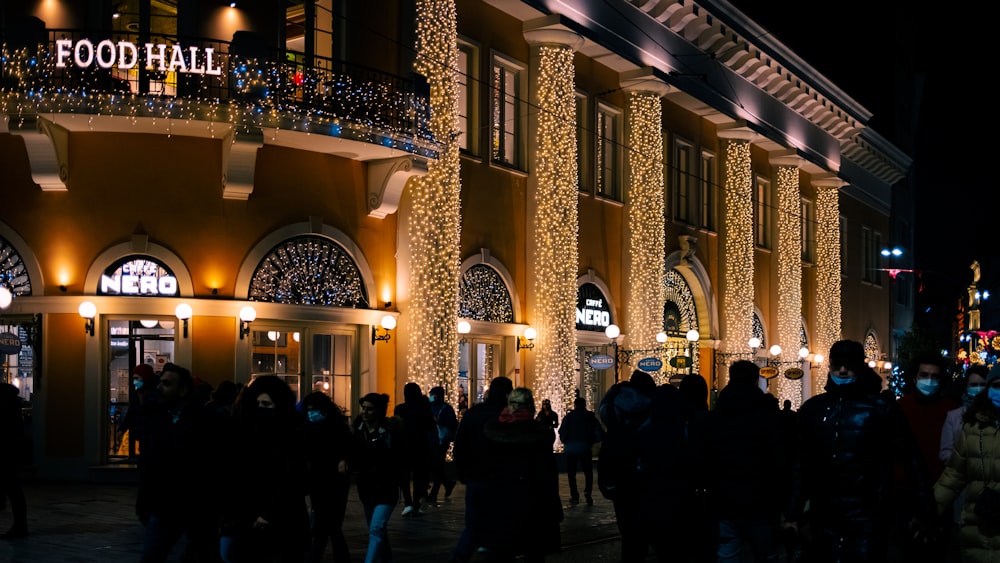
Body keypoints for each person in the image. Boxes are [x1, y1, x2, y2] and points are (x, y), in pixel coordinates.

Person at [785, 339, 935, 563]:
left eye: (849, 364)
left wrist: (925, 511)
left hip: (868, 513)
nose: (843, 370)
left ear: (859, 366)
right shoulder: (814, 409)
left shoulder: (880, 408)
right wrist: (792, 513)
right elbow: (801, 463)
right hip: (825, 513)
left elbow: (911, 459)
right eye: (837, 364)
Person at [135, 363, 223, 562]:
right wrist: (144, 501)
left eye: (167, 384)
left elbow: (216, 465)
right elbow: (148, 464)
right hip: (164, 506)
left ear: (182, 390)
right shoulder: (155, 418)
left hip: (198, 506)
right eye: (160, 382)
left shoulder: (206, 422)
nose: (159, 388)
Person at [221, 375, 309, 563]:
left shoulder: (291, 435)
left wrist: (269, 513)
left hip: (282, 520)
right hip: (249, 517)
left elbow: (292, 478)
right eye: (258, 404)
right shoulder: (246, 433)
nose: (261, 409)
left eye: (267, 405)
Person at [708, 360, 784, 563]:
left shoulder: (717, 415)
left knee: (728, 554)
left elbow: (707, 457)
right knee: (765, 554)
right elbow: (778, 458)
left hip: (725, 499)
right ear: (754, 379)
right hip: (760, 499)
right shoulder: (766, 414)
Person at [480, 387, 562, 562]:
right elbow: (547, 477)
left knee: (502, 553)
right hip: (533, 505)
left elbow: (485, 470)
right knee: (534, 553)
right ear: (530, 406)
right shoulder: (539, 435)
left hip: (501, 505)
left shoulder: (493, 432)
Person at [892, 352, 959, 561]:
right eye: (924, 374)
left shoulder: (953, 410)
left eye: (935, 376)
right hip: (904, 492)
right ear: (915, 377)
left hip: (940, 492)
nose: (929, 381)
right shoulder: (899, 407)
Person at [934, 363, 1000, 561]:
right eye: (996, 386)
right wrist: (928, 513)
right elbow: (953, 476)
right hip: (980, 529)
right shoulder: (972, 429)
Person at [450, 376, 513, 563]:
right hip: (501, 478)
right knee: (502, 525)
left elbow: (460, 445)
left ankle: (459, 557)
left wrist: (462, 472)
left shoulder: (473, 413)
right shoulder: (507, 415)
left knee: (473, 525)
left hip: (476, 476)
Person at [597, 370, 655, 562]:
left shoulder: (613, 410)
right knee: (644, 529)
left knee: (628, 530)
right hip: (642, 476)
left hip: (617, 475)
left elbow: (602, 409)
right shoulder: (651, 410)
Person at [352, 392, 404, 563]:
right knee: (378, 529)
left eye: (369, 409)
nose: (364, 412)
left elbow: (398, 457)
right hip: (367, 487)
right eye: (363, 408)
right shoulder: (359, 430)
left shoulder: (389, 431)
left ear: (378, 411)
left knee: (376, 528)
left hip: (386, 487)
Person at [301, 391, 353, 563]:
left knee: (327, 524)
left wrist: (343, 460)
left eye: (314, 409)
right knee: (330, 524)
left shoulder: (337, 428)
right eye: (309, 410)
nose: (311, 413)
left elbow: (347, 449)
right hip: (319, 480)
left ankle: (318, 556)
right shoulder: (309, 429)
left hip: (334, 480)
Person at [393, 382, 435, 516]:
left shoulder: (399, 408)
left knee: (404, 476)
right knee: (419, 476)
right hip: (420, 445)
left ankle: (408, 502)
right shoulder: (423, 408)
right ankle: (416, 502)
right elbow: (430, 426)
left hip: (403, 445)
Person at [558, 396, 601, 505]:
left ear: (575, 405)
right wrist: (594, 440)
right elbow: (598, 430)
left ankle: (574, 495)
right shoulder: (590, 416)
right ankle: (588, 492)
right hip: (585, 446)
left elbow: (562, 430)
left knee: (571, 473)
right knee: (588, 472)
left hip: (571, 447)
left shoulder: (569, 417)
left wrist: (565, 440)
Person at [0, 381, 28, 539]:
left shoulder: (6, 407)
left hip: (6, 452)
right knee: (14, 489)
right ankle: (20, 525)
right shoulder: (13, 405)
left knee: (12, 489)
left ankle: (19, 526)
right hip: (10, 452)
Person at [117, 363, 159, 459]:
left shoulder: (156, 394)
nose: (134, 382)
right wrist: (122, 429)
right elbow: (131, 412)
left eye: (137, 378)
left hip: (154, 435)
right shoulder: (138, 393)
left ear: (145, 377)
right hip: (143, 434)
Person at [427, 385, 458, 504]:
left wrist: (438, 421)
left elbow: (452, 423)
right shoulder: (432, 407)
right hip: (432, 439)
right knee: (434, 464)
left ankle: (434, 493)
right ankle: (448, 483)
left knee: (438, 464)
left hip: (441, 440)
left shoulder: (445, 408)